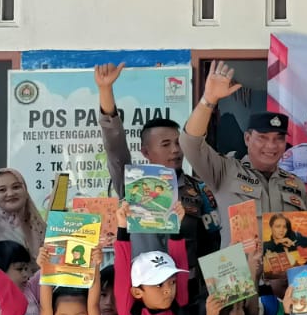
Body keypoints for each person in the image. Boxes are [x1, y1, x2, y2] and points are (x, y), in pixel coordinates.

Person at [94, 63, 221, 267]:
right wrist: (105, 90)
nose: (175, 150)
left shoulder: (198, 189)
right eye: (165, 144)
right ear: (146, 151)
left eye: (178, 143)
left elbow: (212, 245)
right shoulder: (132, 183)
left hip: (184, 289)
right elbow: (114, 145)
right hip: (142, 288)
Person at [182, 62, 307, 241]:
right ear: (247, 139)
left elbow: (305, 239)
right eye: (263, 138)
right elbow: (190, 143)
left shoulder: (295, 185)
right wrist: (208, 100)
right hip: (238, 269)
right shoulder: (225, 171)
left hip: (285, 268)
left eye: (278, 138)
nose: (271, 146)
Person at [0, 168, 46, 255]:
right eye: (2, 190)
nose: (11, 193)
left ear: (25, 190)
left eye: (16, 187)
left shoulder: (42, 229)